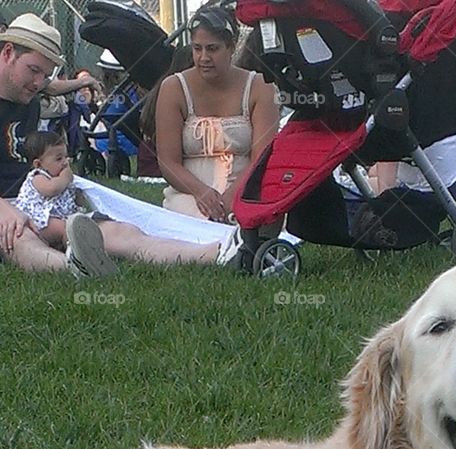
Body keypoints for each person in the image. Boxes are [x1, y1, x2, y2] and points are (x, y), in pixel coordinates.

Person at [0, 14, 246, 274]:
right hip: (7, 206)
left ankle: (218, 251)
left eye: (45, 75)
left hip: (37, 198)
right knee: (18, 235)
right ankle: (74, 269)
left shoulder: (28, 98)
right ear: (7, 53)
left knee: (120, 230)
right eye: (34, 71)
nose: (38, 82)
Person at [155, 4, 279, 222]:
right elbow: (168, 161)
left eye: (212, 49)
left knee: (248, 221)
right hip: (189, 191)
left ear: (231, 47)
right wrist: (201, 192)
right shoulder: (173, 88)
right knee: (195, 227)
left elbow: (261, 157)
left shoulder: (260, 87)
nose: (203, 57)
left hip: (247, 186)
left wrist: (232, 196)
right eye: (197, 48)